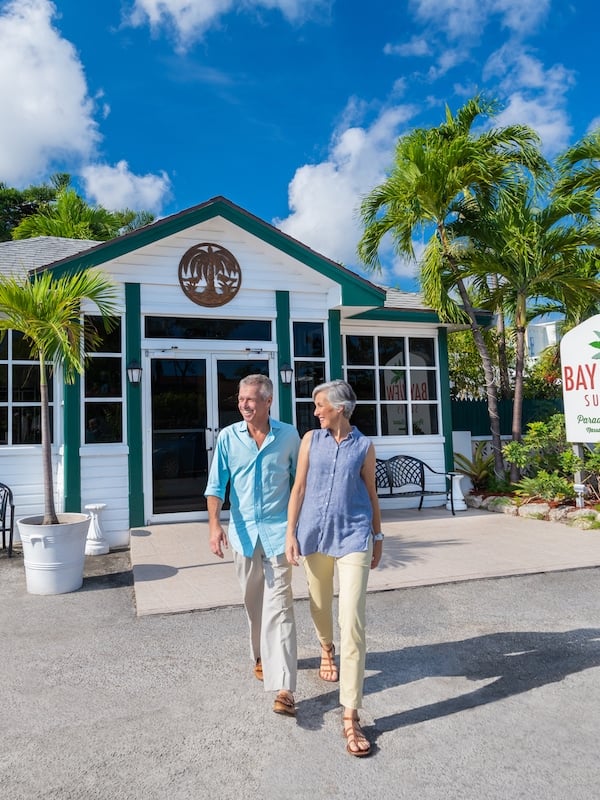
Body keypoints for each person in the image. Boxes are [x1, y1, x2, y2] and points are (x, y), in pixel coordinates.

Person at [285, 379, 383, 756]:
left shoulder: (364, 446)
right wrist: (291, 532)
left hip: (354, 535)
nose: (315, 411)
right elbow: (299, 489)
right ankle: (326, 648)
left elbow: (371, 493)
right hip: (313, 535)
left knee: (353, 621)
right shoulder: (311, 440)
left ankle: (350, 716)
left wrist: (377, 536)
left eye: (320, 405)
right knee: (319, 603)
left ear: (340, 408)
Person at [205, 374, 301, 717]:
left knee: (282, 606)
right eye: (241, 399)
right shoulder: (228, 438)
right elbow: (216, 485)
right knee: (253, 602)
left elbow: (298, 486)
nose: (244, 405)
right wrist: (215, 525)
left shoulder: (289, 436)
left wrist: (296, 529)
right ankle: (261, 654)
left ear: (268, 401)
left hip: (278, 534)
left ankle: (285, 686)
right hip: (243, 535)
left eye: (251, 399)